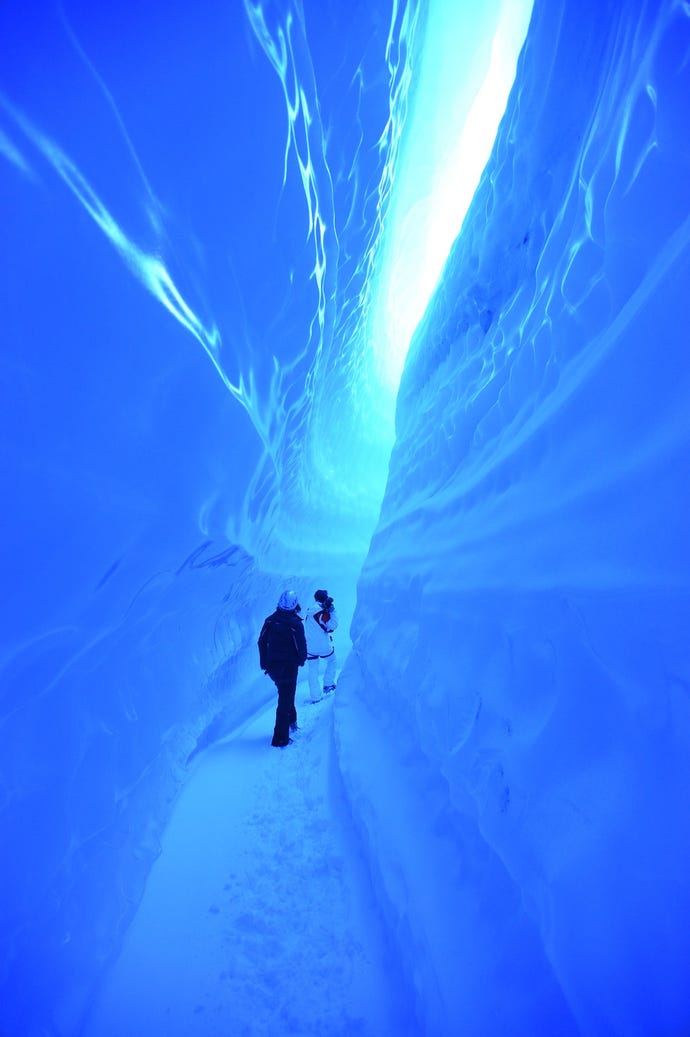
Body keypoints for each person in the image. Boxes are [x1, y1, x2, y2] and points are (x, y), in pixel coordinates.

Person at [258, 590, 307, 747]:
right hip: (289, 668)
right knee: (285, 700)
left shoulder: (270, 621)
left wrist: (265, 663)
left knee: (286, 693)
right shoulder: (295, 624)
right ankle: (280, 739)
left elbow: (261, 642)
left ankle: (292, 721)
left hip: (273, 667)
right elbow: (301, 646)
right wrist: (301, 660)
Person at [303, 589, 338, 703]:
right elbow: (333, 626)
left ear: (315, 599)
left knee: (312, 670)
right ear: (325, 598)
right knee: (332, 661)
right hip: (323, 646)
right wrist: (333, 611)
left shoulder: (310, 611)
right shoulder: (322, 612)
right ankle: (328, 684)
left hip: (310, 647)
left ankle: (316, 696)